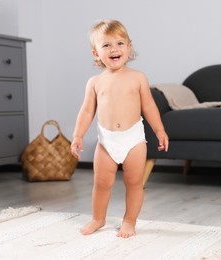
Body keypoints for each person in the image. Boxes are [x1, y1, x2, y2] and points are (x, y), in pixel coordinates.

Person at [70, 19, 169, 238]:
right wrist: (78, 135)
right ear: (96, 53)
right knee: (101, 183)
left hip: (133, 139)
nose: (114, 49)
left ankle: (129, 221)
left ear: (129, 47)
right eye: (106, 45)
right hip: (106, 140)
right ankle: (98, 218)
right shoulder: (95, 82)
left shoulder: (138, 78)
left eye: (119, 43)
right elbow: (87, 111)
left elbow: (149, 106)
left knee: (134, 182)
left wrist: (159, 130)